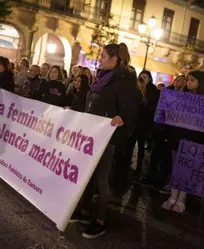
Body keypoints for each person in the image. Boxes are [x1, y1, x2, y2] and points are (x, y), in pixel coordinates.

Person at [69, 43, 138, 239]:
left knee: (101, 178)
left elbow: (130, 109)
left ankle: (100, 220)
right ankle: (85, 210)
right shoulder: (102, 78)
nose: (100, 59)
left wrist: (122, 118)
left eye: (103, 56)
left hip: (107, 138)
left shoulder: (124, 81)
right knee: (88, 175)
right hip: (91, 134)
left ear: (114, 60)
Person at [162, 70, 204, 213]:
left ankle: (181, 200)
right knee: (176, 169)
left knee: (187, 171)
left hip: (194, 141)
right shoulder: (180, 97)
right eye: (187, 80)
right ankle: (173, 197)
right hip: (178, 138)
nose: (188, 83)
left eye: (192, 80)